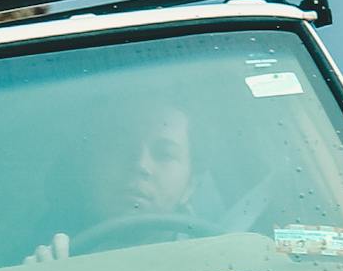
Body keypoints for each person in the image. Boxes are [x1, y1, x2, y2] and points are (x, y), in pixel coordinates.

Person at [29, 98, 258, 262]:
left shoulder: (227, 265)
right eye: (120, 147)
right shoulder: (44, 258)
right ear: (89, 167)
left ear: (191, 185)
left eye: (164, 154)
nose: (141, 165)